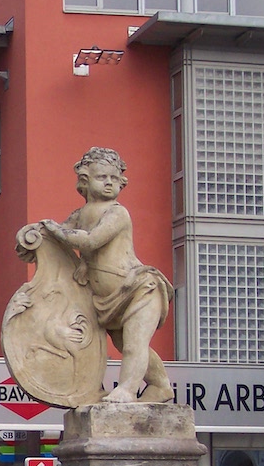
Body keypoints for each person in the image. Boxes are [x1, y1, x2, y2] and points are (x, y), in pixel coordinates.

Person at [37, 147, 173, 404]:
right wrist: (36, 236)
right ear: (86, 181)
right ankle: (160, 385)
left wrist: (54, 229)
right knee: (126, 346)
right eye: (102, 177)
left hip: (138, 288)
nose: (110, 182)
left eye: (114, 178)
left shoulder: (117, 212)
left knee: (134, 344)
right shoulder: (80, 215)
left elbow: (91, 241)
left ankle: (127, 390)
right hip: (107, 300)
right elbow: (57, 237)